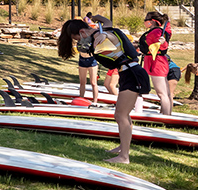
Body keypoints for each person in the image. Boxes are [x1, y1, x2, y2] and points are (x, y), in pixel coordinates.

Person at [58, 17, 151, 164]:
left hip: (133, 75)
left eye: (77, 39)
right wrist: (97, 24)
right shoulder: (101, 31)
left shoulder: (101, 36)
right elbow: (107, 23)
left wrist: (100, 38)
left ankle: (124, 157)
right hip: (128, 74)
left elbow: (106, 37)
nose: (79, 42)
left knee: (121, 115)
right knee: (122, 115)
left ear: (82, 31)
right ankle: (123, 147)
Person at [138, 11, 173, 115]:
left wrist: (162, 42)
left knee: (162, 93)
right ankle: (165, 113)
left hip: (157, 62)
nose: (145, 21)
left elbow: (162, 45)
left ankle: (167, 117)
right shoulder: (156, 31)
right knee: (165, 92)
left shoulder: (156, 32)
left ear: (152, 21)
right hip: (156, 61)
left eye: (146, 19)